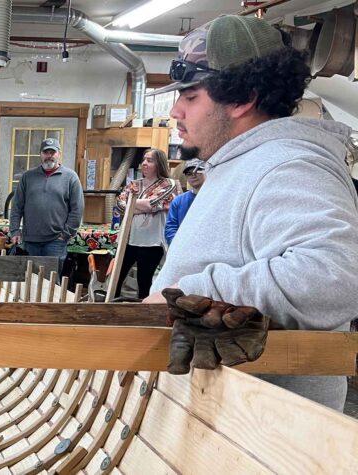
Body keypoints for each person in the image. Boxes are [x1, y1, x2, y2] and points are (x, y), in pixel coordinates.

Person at [141, 15, 358, 411]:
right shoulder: (239, 164)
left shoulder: (288, 166)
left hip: (268, 439)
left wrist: (198, 293)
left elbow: (334, 276)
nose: (175, 111)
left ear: (242, 98)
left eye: (190, 97)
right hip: (224, 425)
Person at [113, 148, 180, 299]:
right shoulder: (134, 184)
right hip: (129, 239)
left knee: (144, 281)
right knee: (116, 277)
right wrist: (138, 206)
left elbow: (153, 204)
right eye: (144, 160)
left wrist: (132, 205)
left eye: (149, 160)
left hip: (151, 242)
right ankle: (112, 309)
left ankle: (143, 314)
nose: (144, 163)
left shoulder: (168, 184)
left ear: (159, 164)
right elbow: (120, 205)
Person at [8, 137, 83, 261]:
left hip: (56, 241)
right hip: (30, 241)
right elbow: (17, 206)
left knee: (52, 279)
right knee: (29, 277)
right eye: (46, 152)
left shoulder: (71, 177)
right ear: (40, 154)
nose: (49, 156)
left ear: (59, 154)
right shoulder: (27, 177)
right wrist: (15, 230)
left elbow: (77, 209)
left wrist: (66, 234)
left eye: (52, 152)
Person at [164, 159, 205, 244]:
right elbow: (171, 228)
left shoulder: (214, 196)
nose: (193, 175)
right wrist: (177, 245)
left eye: (197, 171)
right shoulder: (178, 201)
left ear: (206, 171)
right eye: (189, 173)